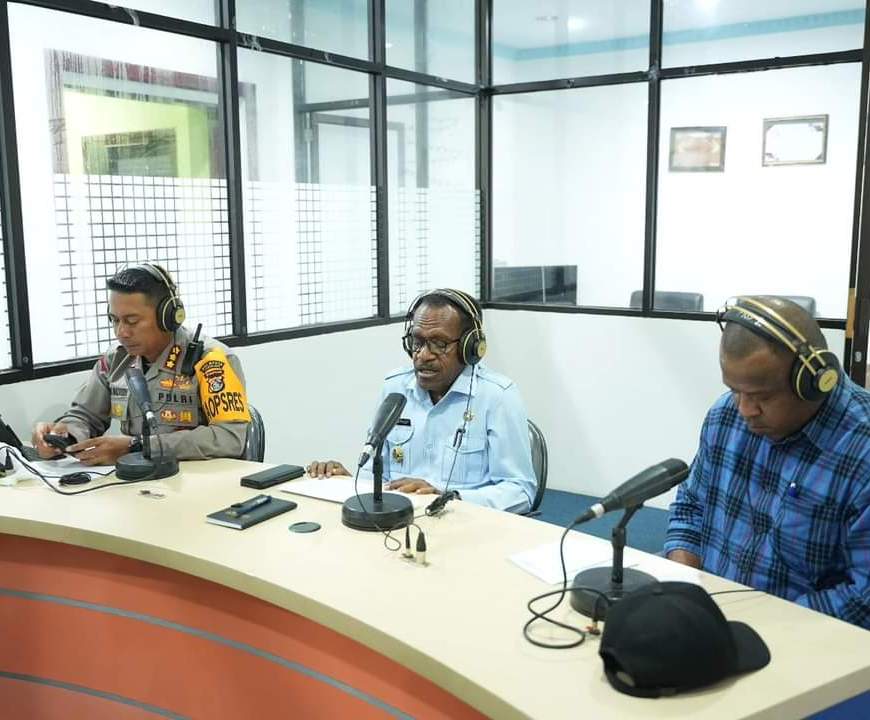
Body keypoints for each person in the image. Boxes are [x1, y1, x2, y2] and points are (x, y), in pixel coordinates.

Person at [665, 295, 870, 628]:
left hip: (808, 639)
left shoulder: (861, 451)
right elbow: (691, 506)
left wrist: (760, 624)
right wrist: (684, 583)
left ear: (815, 381)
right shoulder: (725, 416)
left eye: (762, 396)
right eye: (735, 390)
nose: (745, 409)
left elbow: (864, 597)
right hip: (714, 622)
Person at [308, 289, 536, 513]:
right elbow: (376, 475)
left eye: (439, 344)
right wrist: (344, 481)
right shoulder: (395, 389)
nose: (423, 355)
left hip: (465, 524)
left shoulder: (497, 396)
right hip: (400, 524)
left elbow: (520, 491)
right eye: (417, 342)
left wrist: (448, 498)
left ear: (470, 347)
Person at [32, 263, 251, 465]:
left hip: (198, 481)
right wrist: (64, 435)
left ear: (168, 317)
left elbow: (230, 437)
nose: (121, 332)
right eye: (114, 320)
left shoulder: (211, 360)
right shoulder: (116, 360)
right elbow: (86, 415)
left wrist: (138, 447)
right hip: (137, 482)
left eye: (132, 321)